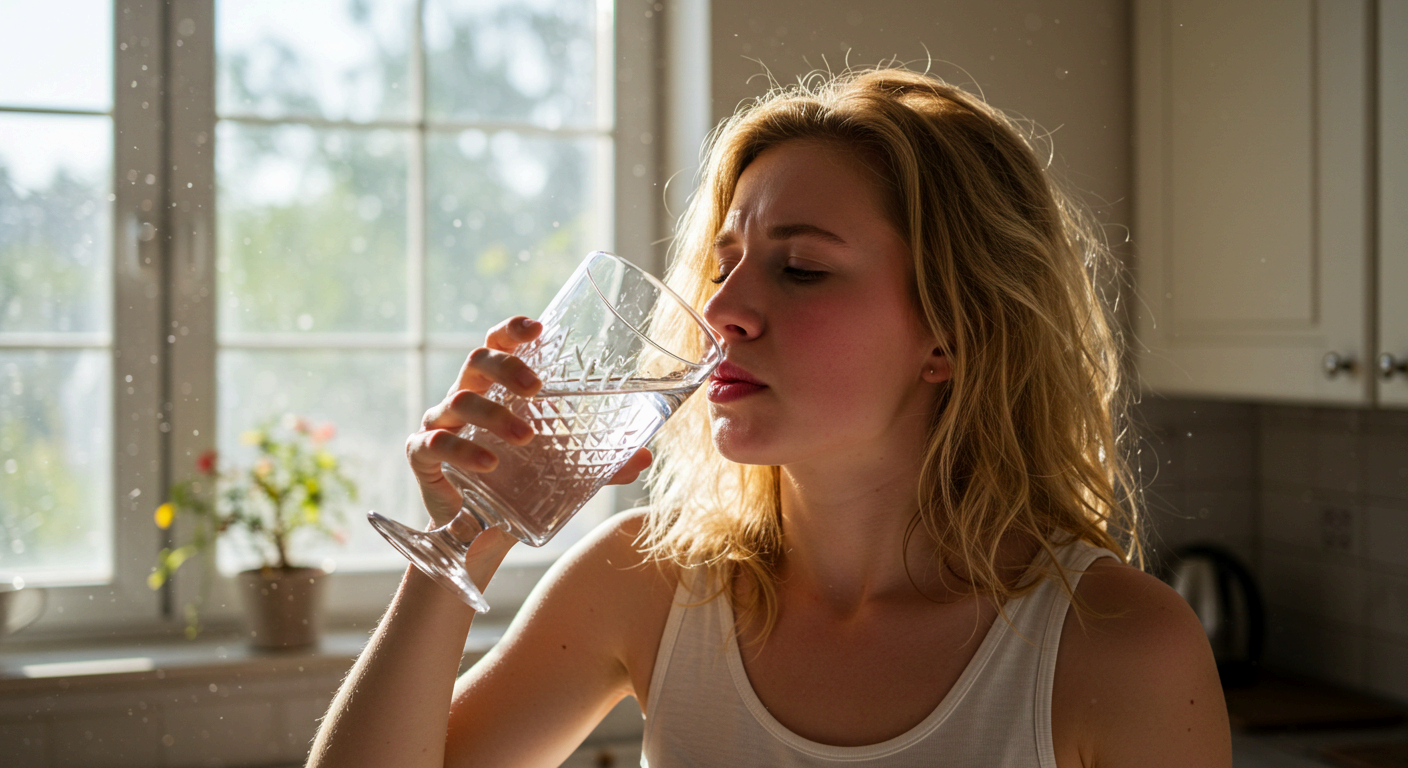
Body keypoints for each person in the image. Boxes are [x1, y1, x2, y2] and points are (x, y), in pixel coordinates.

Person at [309, 68, 1231, 767]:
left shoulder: (1119, 649)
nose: (721, 314)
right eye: (725, 263)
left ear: (950, 335)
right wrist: (460, 543)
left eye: (802, 269)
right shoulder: (651, 585)